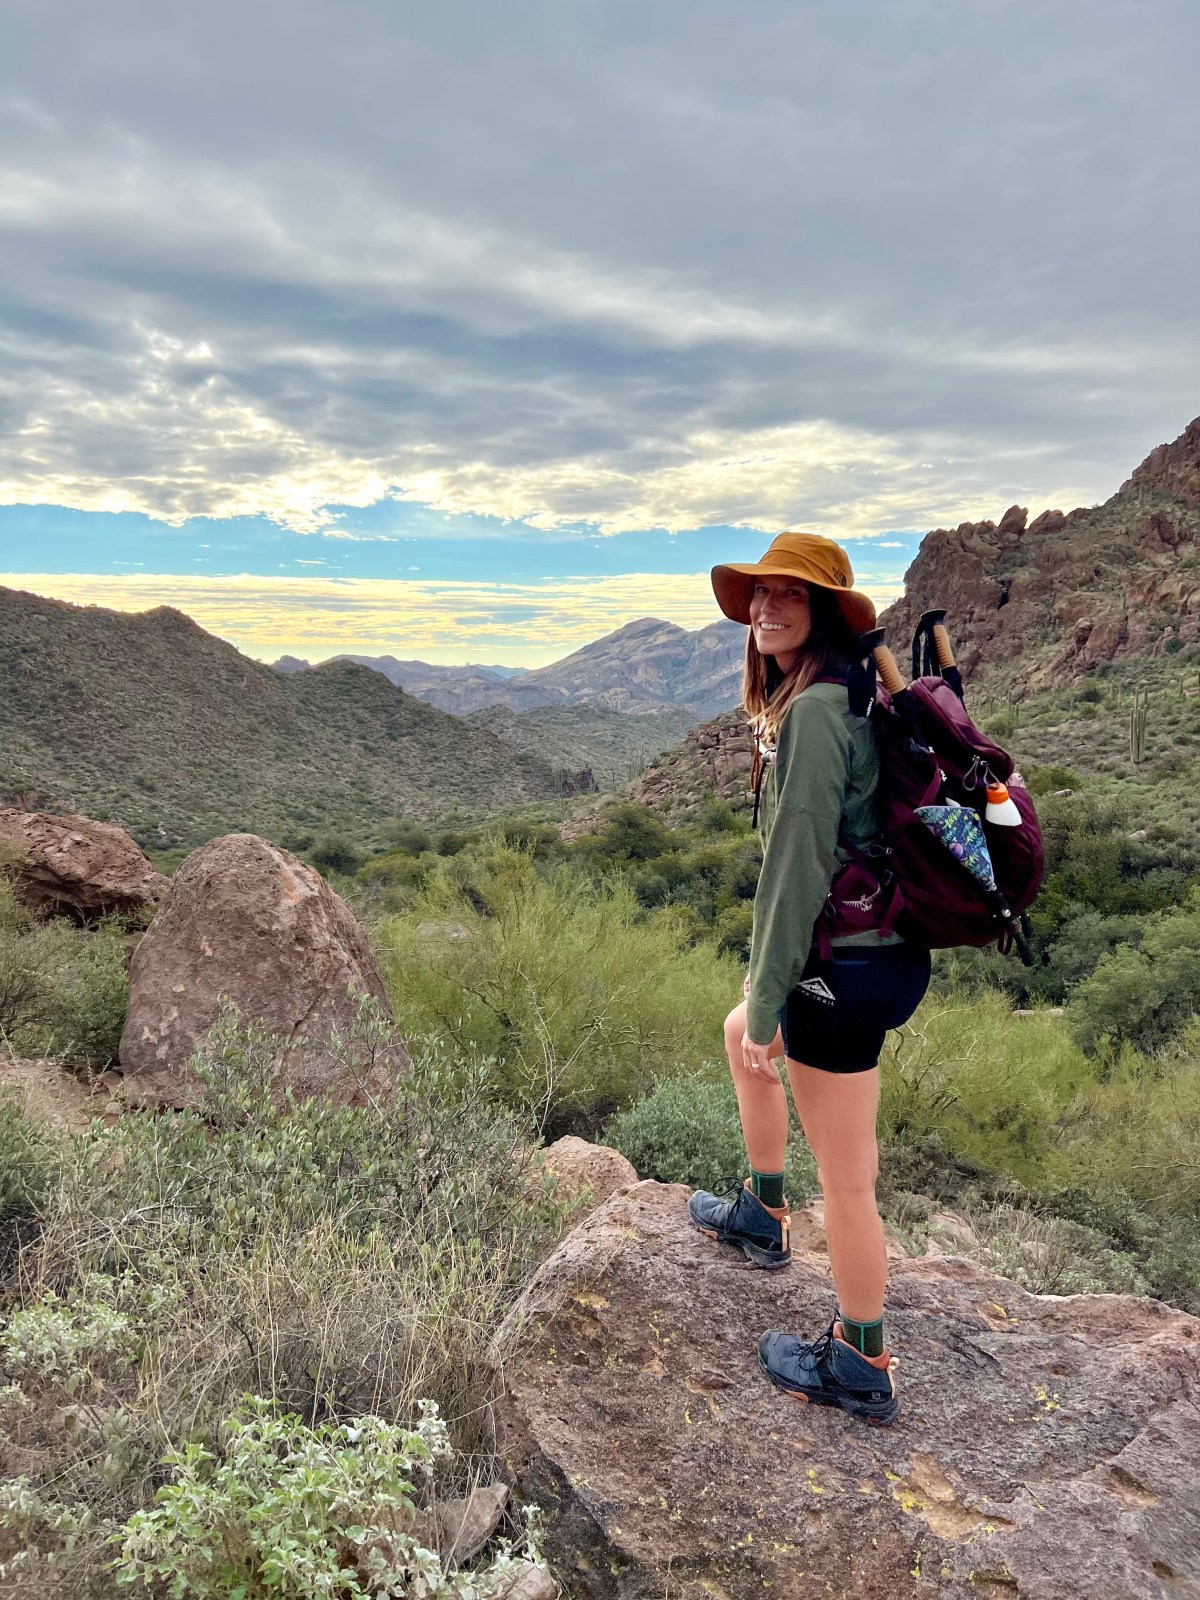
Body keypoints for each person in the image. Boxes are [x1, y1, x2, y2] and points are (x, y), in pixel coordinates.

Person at [688, 531, 931, 1426]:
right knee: (735, 1032)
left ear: (824, 611)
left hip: (845, 969)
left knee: (849, 1180)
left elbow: (796, 867)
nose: (765, 607)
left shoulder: (820, 713)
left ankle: (862, 1359)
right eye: (758, 593)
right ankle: (762, 1210)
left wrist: (770, 995)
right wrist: (754, 1010)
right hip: (872, 954)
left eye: (788, 594)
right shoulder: (834, 696)